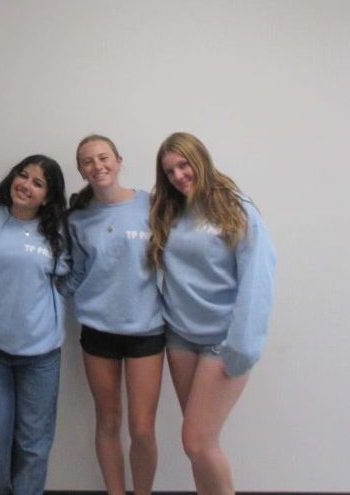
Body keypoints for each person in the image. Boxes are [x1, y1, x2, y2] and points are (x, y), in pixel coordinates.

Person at [147, 132, 276, 494]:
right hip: (181, 339)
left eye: (183, 165)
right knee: (198, 446)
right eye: (169, 171)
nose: (178, 176)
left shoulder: (235, 207)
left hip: (223, 341)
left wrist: (243, 344)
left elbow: (258, 277)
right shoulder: (170, 210)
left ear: (200, 159)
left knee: (197, 440)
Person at [60, 135, 165, 495]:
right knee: (107, 421)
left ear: (119, 161)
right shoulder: (77, 218)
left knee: (142, 429)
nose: (97, 165)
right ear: (81, 171)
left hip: (146, 329)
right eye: (87, 161)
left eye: (103, 157)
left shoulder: (152, 205)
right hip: (97, 331)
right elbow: (73, 273)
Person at [0, 155, 68, 495]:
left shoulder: (57, 231)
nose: (26, 185)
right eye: (23, 176)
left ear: (48, 197)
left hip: (41, 355)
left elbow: (69, 277)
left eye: (38, 183)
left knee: (33, 443)